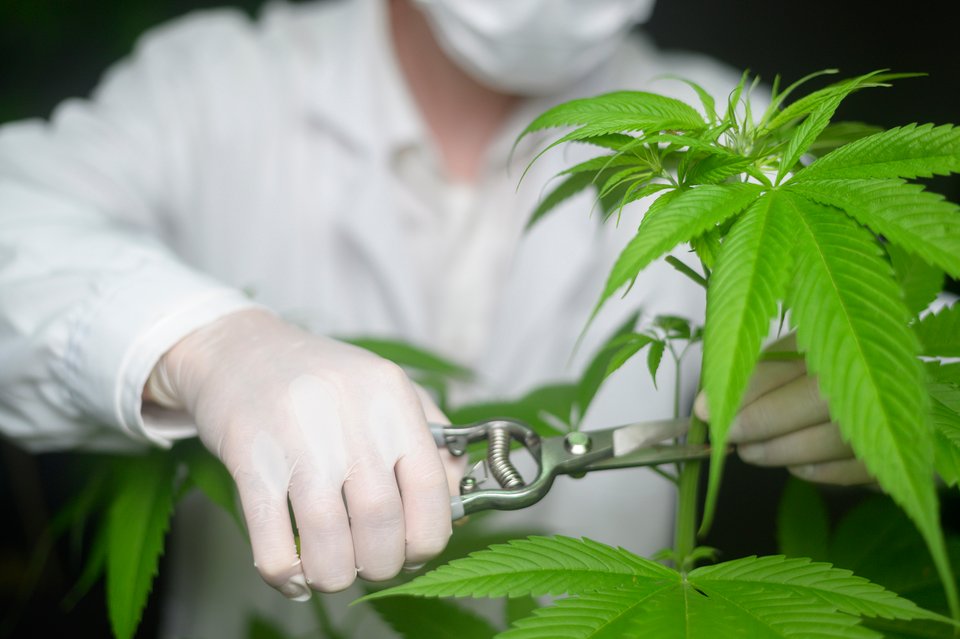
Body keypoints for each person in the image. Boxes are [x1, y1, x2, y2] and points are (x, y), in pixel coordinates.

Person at [0, 0, 869, 635]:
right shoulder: (214, 87)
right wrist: (206, 343)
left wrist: (899, 387)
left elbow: (920, 324)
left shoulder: (740, 141)